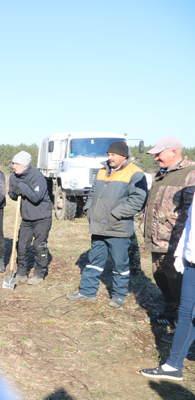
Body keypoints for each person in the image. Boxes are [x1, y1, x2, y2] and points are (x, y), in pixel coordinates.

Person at [67, 141, 148, 308]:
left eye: (113, 155)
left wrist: (115, 214)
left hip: (118, 227)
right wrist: (89, 209)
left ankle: (118, 295)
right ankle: (87, 292)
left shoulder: (135, 174)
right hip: (98, 227)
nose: (109, 157)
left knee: (120, 264)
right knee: (93, 261)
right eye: (109, 154)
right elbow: (92, 193)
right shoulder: (103, 170)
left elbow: (138, 201)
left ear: (123, 156)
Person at [141, 137, 195, 333]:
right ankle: (169, 312)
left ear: (174, 152)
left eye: (159, 154)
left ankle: (184, 324)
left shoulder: (190, 174)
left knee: (178, 282)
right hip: (157, 240)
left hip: (174, 242)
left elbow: (190, 212)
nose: (156, 158)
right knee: (161, 277)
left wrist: (179, 240)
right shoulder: (161, 174)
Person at [139, 199, 195, 381]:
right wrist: (181, 252)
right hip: (191, 261)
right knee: (187, 313)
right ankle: (173, 365)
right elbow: (190, 225)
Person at [8, 151, 52, 284]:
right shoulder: (13, 177)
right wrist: (15, 193)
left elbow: (35, 197)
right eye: (13, 163)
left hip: (41, 217)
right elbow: (12, 194)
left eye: (17, 164)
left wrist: (22, 187)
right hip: (26, 218)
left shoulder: (37, 176)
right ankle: (21, 272)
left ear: (25, 165)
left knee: (39, 246)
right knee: (21, 245)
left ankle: (39, 274)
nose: (14, 166)